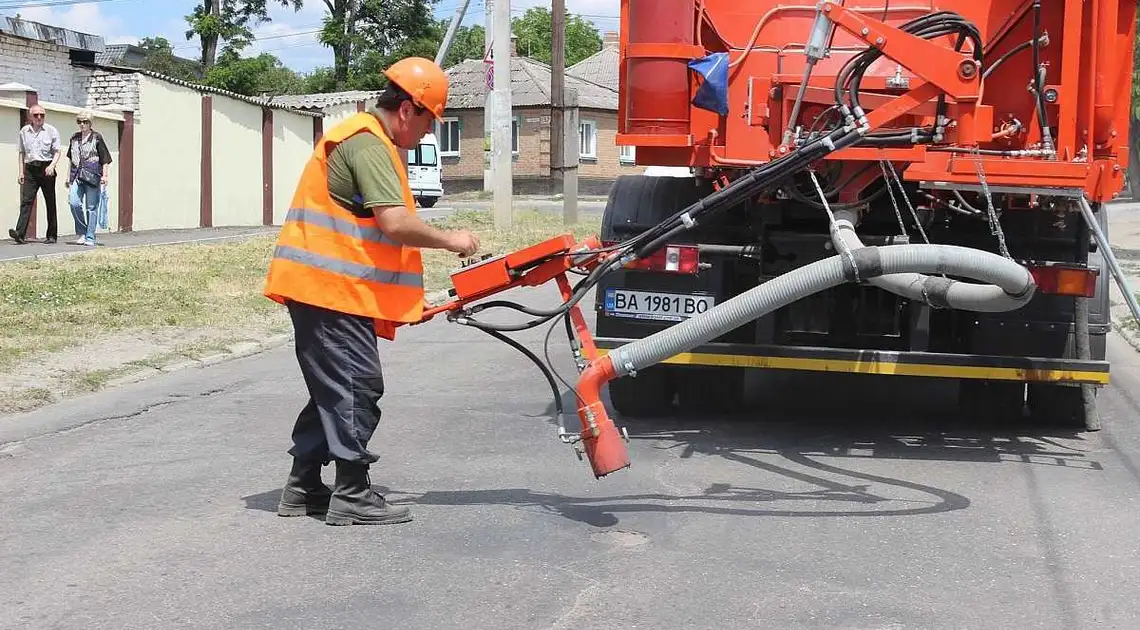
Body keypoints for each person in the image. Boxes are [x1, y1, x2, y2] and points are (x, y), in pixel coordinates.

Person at [263, 57, 481, 527]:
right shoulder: (368, 144)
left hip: (332, 291)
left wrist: (403, 301)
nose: (428, 134)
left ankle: (303, 487)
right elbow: (395, 223)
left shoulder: (369, 141)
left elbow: (369, 239)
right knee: (358, 387)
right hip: (326, 291)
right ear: (407, 110)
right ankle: (352, 493)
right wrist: (453, 241)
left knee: (333, 390)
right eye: (429, 123)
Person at [11, 104, 61, 244]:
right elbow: (22, 153)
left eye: (42, 115)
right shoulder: (24, 131)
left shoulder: (51, 131)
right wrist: (21, 171)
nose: (39, 117)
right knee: (26, 201)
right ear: (30, 116)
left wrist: (52, 165)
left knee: (50, 201)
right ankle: (20, 233)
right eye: (36, 115)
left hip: (46, 168)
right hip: (30, 169)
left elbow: (57, 151)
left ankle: (52, 235)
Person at [66, 110, 113, 247]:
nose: (82, 125)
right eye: (79, 122)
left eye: (85, 122)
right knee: (74, 202)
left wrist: (105, 175)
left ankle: (90, 236)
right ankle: (82, 232)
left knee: (91, 207)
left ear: (90, 123)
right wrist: (67, 177)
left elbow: (105, 159)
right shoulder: (74, 138)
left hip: (93, 176)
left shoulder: (97, 137)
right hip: (76, 175)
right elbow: (70, 158)